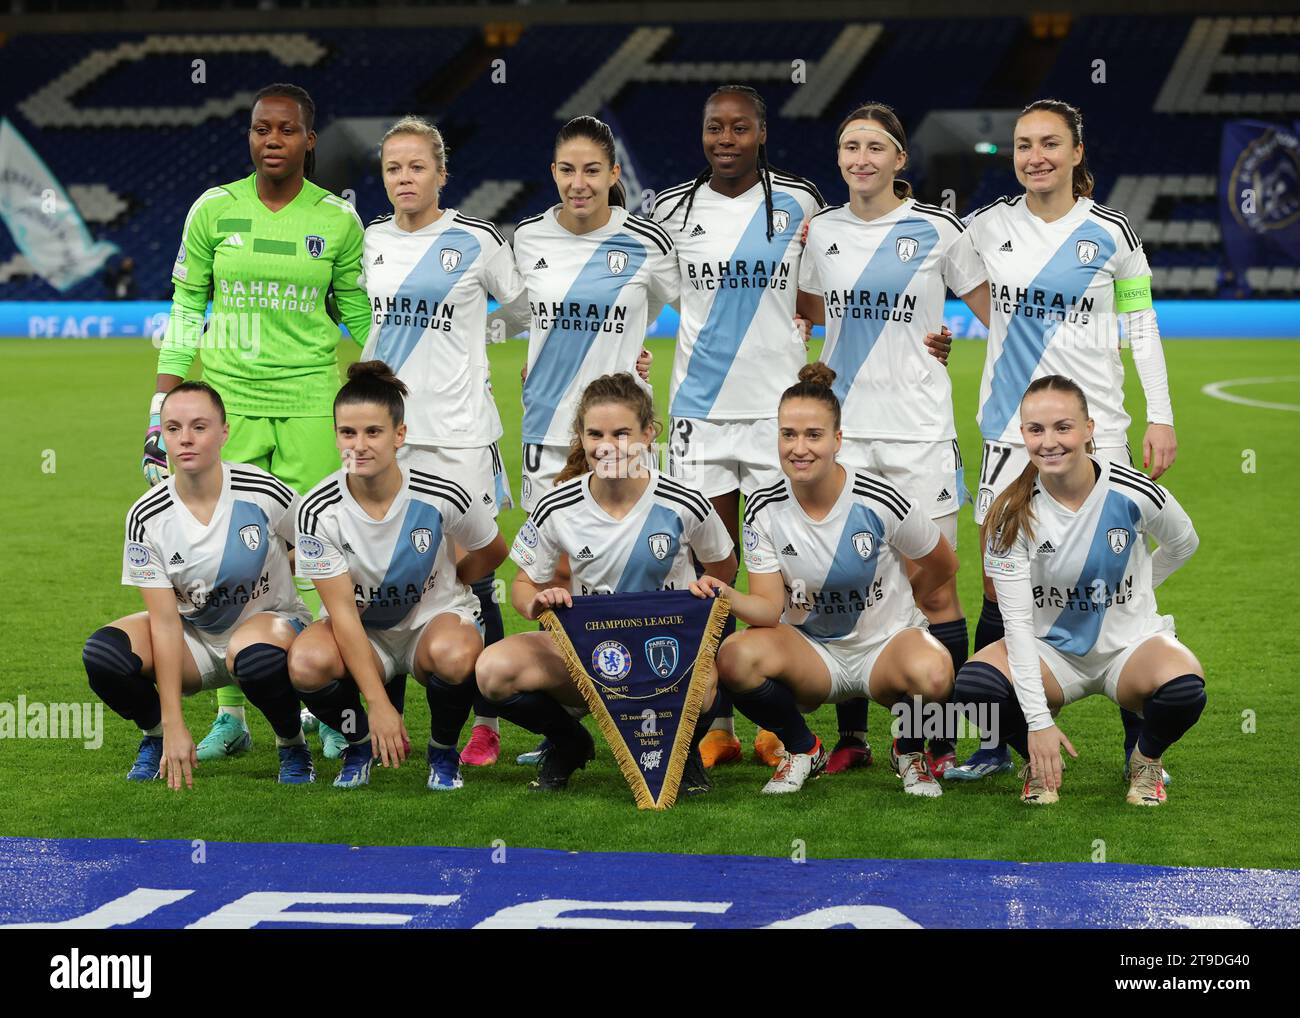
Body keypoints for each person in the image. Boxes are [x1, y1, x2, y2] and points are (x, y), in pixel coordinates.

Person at [941, 98, 1178, 781]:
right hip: (1009, 440)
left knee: (1118, 584)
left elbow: (1141, 328)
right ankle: (992, 742)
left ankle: (1140, 750)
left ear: (1077, 152)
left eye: (1049, 143)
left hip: (1099, 438)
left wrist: (1159, 415)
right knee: (996, 585)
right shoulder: (985, 226)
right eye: (1023, 144)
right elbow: (950, 282)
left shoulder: (1112, 232)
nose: (1035, 156)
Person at [144, 82, 372, 764]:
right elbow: (187, 306)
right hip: (229, 405)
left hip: (309, 401)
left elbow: (359, 315)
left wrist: (394, 383)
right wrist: (161, 411)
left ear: (309, 139)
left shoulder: (337, 220)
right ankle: (231, 714)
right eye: (259, 129)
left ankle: (325, 702)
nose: (270, 139)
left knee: (317, 559)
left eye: (284, 129)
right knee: (221, 557)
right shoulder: (214, 209)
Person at [797, 101, 990, 777]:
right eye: (851, 146)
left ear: (900, 159)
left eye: (876, 147)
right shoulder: (819, 232)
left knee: (933, 587)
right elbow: (804, 314)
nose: (861, 158)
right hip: (847, 438)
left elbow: (996, 314)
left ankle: (932, 741)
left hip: (920, 436)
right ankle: (852, 737)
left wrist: (947, 342)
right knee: (848, 586)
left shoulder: (939, 230)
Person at [651, 84, 825, 769]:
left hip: (775, 414)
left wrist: (812, 351)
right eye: (714, 128)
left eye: (739, 127)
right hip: (698, 413)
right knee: (709, 565)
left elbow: (813, 295)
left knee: (780, 562)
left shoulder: (799, 203)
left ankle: (777, 713)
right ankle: (717, 717)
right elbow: (647, 296)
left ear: (761, 132)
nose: (726, 138)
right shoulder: (670, 209)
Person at [694, 364, 959, 796]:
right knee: (735, 657)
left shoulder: (878, 497)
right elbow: (767, 608)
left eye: (813, 435)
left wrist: (912, 606)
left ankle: (909, 751)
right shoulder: (763, 505)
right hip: (814, 655)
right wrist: (724, 593)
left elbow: (943, 563)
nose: (799, 448)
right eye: (788, 435)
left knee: (935, 672)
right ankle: (803, 748)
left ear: (838, 440)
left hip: (884, 647)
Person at [475, 372, 736, 793]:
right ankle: (569, 742)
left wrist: (699, 600)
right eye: (595, 434)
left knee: (703, 689)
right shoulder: (556, 505)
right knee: (493, 671)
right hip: (590, 653)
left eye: (622, 433)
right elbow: (522, 584)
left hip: (664, 653)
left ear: (649, 434)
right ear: (580, 436)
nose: (608, 446)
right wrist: (539, 601)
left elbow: (723, 567)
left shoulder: (684, 501)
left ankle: (681, 754)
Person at [953, 375, 1203, 805]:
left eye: (1062, 427)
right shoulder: (1011, 513)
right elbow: (1014, 624)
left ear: (1089, 430)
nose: (1049, 441)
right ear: (1023, 435)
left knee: (1184, 687)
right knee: (975, 685)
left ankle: (1146, 761)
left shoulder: (1133, 491)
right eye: (1036, 430)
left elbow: (1184, 543)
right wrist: (1038, 723)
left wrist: (1136, 590)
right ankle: (1037, 760)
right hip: (1052, 652)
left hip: (1127, 647)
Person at [361, 114, 523, 767]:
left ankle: (485, 722)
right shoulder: (369, 239)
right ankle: (387, 718)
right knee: (393, 576)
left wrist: (478, 356)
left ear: (441, 173)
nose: (404, 177)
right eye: (393, 167)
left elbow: (520, 308)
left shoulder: (477, 240)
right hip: (389, 438)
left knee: (471, 578)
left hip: (458, 438)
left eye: (416, 166)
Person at [288, 362, 507, 790]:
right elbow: (344, 615)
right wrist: (377, 706)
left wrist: (458, 580)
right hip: (364, 631)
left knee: (457, 655)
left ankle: (442, 752)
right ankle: (359, 743)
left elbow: (493, 550)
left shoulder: (443, 489)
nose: (360, 445)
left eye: (373, 432)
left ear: (399, 435)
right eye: (348, 433)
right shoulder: (317, 510)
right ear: (335, 436)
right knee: (306, 662)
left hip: (431, 624)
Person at [84, 382, 314, 788]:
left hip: (270, 630)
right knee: (104, 655)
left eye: (199, 427)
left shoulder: (262, 490)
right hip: (194, 637)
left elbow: (317, 547)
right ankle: (153, 737)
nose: (185, 439)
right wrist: (173, 724)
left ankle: (291, 744)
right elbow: (165, 621)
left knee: (256, 658)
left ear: (224, 432)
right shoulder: (146, 514)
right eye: (173, 429)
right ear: (162, 437)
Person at [507, 115, 678, 514]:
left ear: (614, 173)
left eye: (592, 170)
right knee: (549, 566)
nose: (578, 183)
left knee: (630, 554)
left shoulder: (647, 240)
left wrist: (633, 340)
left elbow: (672, 302)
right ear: (553, 172)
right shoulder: (528, 236)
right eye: (567, 170)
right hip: (548, 428)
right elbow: (520, 314)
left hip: (623, 430)